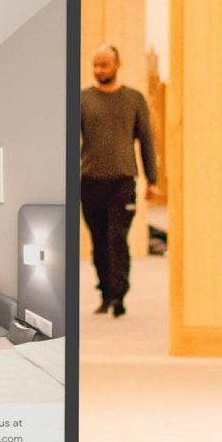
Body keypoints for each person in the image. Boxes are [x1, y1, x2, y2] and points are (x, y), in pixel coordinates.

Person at [79, 44, 160, 318]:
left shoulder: (134, 100)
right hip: (90, 181)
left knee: (117, 238)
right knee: (99, 241)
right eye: (96, 64)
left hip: (123, 181)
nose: (99, 70)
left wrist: (153, 179)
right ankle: (105, 293)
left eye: (104, 65)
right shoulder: (82, 100)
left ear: (117, 65)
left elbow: (146, 141)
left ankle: (119, 295)